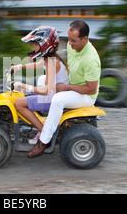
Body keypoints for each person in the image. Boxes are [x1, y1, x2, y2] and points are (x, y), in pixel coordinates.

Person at [27, 20, 101, 158]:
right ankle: (46, 120)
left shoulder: (90, 59)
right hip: (73, 85)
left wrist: (66, 87)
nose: (70, 43)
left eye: (73, 40)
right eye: (68, 39)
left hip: (86, 95)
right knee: (42, 80)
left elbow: (91, 89)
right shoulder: (72, 45)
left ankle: (44, 141)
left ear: (85, 39)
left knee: (58, 99)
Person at [11, 26, 69, 145]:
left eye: (35, 44)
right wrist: (18, 67)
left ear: (44, 44)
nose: (33, 46)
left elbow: (47, 91)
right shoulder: (49, 58)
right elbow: (36, 65)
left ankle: (43, 131)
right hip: (54, 94)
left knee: (18, 103)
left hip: (53, 98)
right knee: (25, 95)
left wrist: (23, 85)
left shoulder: (52, 63)